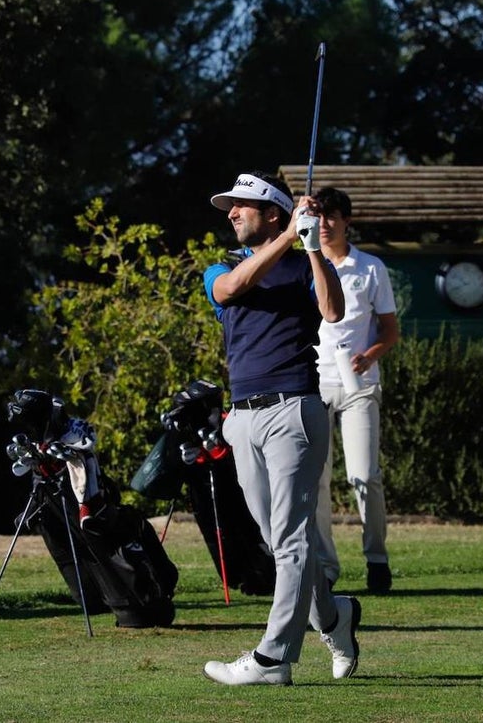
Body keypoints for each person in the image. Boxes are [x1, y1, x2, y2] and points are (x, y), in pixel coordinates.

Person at [200, 170, 360, 686]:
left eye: (241, 205)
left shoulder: (303, 265)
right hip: (242, 417)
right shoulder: (223, 267)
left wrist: (311, 247)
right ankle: (333, 617)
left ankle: (273, 659)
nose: (231, 213)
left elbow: (333, 310)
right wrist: (291, 235)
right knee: (278, 540)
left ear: (271, 212)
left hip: (294, 410)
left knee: (291, 538)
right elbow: (230, 290)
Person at [311, 187, 400, 594]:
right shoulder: (306, 264)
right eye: (319, 217)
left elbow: (390, 330)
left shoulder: (370, 268)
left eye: (332, 216)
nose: (325, 224)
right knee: (317, 479)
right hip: (314, 383)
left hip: (359, 384)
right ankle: (326, 566)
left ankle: (376, 558)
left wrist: (369, 355)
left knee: (364, 475)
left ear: (347, 221)